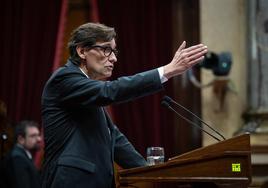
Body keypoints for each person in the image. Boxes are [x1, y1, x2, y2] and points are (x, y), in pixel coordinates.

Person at [41, 22, 207, 188]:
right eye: (106, 49)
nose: (114, 58)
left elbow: (115, 139)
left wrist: (150, 174)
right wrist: (167, 70)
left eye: (114, 51)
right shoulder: (64, 79)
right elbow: (110, 90)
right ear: (82, 51)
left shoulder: (87, 89)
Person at [3, 120, 42, 188]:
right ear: (21, 139)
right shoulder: (17, 158)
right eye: (33, 136)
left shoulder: (23, 155)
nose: (39, 139)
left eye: (38, 135)